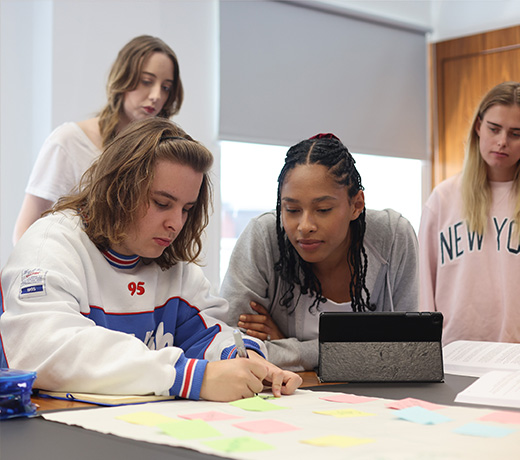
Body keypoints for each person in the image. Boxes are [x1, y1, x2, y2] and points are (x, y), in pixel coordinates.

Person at [0, 118, 302, 402]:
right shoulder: (51, 243)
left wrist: (245, 360)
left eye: (186, 209)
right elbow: (44, 349)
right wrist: (191, 377)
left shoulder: (169, 261)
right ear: (119, 189)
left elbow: (207, 332)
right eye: (162, 203)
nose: (176, 223)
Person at [220, 133, 419, 372]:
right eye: (292, 209)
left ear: (356, 205)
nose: (305, 226)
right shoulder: (264, 237)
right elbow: (231, 347)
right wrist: (357, 349)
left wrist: (286, 345)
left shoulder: (393, 237)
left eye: (323, 209)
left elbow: (407, 351)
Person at [13, 35, 183, 244]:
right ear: (123, 78)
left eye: (165, 87)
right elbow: (25, 231)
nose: (156, 95)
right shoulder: (69, 142)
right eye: (146, 81)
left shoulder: (158, 155)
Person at [419, 81, 520, 345]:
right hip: (453, 353)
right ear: (478, 126)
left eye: (516, 133)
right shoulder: (443, 198)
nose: (502, 142)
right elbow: (423, 286)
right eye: (494, 129)